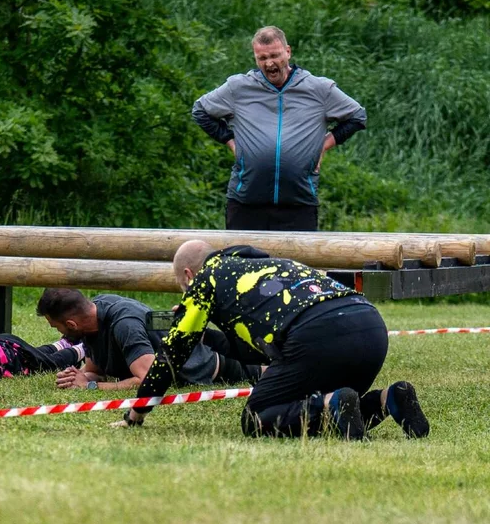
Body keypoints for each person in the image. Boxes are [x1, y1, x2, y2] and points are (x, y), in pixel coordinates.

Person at [118, 240, 430, 440]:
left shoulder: (206, 280)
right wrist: (208, 337)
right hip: (370, 326)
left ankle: (332, 404)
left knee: (256, 417)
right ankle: (388, 399)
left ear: (188, 275)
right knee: (318, 399)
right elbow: (256, 352)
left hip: (317, 335)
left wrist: (136, 414)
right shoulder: (269, 266)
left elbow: (171, 354)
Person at [192, 26, 367, 232]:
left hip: (299, 202)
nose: (269, 63)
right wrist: (231, 142)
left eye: (275, 55)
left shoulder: (318, 89)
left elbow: (357, 116)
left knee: (297, 265)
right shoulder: (238, 88)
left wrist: (322, 146)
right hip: (246, 201)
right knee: (241, 263)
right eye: (262, 58)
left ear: (288, 52)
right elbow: (200, 110)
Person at [35, 288, 259, 392]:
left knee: (272, 369)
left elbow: (149, 379)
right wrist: (79, 377)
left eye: (58, 327)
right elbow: (95, 369)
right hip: (204, 346)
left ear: (72, 324)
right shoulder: (93, 316)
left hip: (219, 366)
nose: (61, 335)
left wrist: (91, 386)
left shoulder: (124, 325)